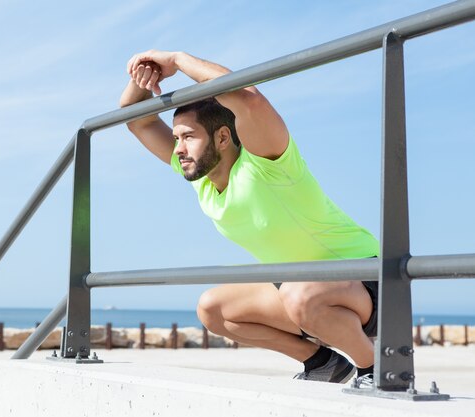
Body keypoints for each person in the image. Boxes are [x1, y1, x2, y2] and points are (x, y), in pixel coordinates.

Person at [119, 50, 379, 385]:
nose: (178, 148)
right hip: (301, 289)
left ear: (223, 137)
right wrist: (143, 77)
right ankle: (322, 362)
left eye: (188, 137)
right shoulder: (203, 180)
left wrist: (177, 60)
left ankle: (374, 369)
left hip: (366, 278)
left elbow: (248, 99)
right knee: (212, 308)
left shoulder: (267, 163)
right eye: (177, 138)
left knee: (300, 295)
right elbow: (135, 118)